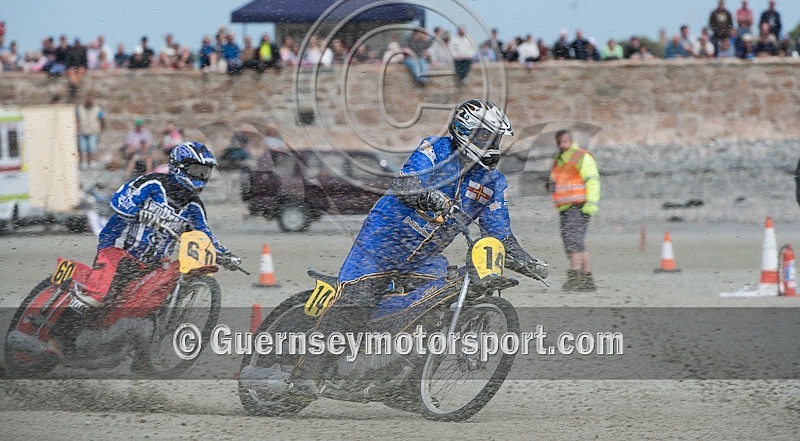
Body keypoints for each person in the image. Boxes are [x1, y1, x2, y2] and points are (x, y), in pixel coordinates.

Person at [286, 99, 548, 392]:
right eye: (487, 137)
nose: (493, 146)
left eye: (496, 139)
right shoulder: (435, 149)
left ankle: (400, 380)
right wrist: (428, 196)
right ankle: (305, 376)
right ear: (465, 132)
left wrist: (526, 260)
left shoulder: (493, 182)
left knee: (439, 303)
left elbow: (499, 233)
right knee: (356, 302)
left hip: (425, 258)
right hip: (381, 244)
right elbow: (405, 183)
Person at [50, 142, 240, 353]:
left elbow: (204, 235)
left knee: (152, 304)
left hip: (152, 264)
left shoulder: (194, 206)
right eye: (196, 170)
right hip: (119, 250)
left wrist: (225, 255)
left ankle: (139, 356)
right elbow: (119, 199)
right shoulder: (152, 183)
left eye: (204, 172)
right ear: (180, 166)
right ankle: (58, 338)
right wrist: (138, 211)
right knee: (98, 294)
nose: (201, 176)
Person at [549, 129, 600, 291]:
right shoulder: (559, 159)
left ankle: (576, 275)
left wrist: (591, 203)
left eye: (564, 141)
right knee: (576, 241)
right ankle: (586, 277)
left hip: (578, 205)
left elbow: (592, 180)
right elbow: (557, 181)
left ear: (571, 140)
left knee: (573, 241)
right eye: (559, 141)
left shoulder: (580, 156)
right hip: (566, 206)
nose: (561, 144)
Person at [75, 93, 105, 170]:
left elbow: (102, 119)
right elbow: (77, 119)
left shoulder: (97, 109)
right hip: (82, 131)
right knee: (83, 148)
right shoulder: (80, 108)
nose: (89, 101)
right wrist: (76, 129)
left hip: (93, 131)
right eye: (88, 99)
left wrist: (101, 129)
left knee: (92, 147)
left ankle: (92, 162)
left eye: (90, 99)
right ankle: (84, 162)